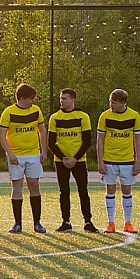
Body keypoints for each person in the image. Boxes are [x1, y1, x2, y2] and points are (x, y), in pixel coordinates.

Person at [46, 88, 97, 232]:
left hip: (79, 161)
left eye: (65, 98)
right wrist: (64, 159)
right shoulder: (55, 118)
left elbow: (87, 142)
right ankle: (66, 221)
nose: (61, 101)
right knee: (64, 192)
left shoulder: (83, 116)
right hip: (61, 161)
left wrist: (75, 158)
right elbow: (51, 143)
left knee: (83, 191)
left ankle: (88, 222)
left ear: (73, 100)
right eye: (61, 98)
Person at [0, 82, 47, 234]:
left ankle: (37, 223)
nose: (33, 101)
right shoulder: (9, 112)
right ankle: (17, 223)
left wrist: (44, 151)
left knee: (34, 186)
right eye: (31, 98)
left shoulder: (36, 111)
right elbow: (2, 135)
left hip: (33, 154)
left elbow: (42, 132)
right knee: (17, 187)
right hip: (16, 156)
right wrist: (10, 154)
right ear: (22, 98)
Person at [96, 88, 140, 234]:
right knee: (110, 189)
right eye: (110, 102)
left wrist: (138, 161)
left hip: (127, 160)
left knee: (127, 189)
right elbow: (100, 140)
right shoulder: (104, 116)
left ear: (123, 103)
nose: (111, 105)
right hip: (109, 160)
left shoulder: (134, 116)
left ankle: (128, 223)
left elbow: (138, 139)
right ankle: (111, 223)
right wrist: (100, 161)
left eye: (114, 102)